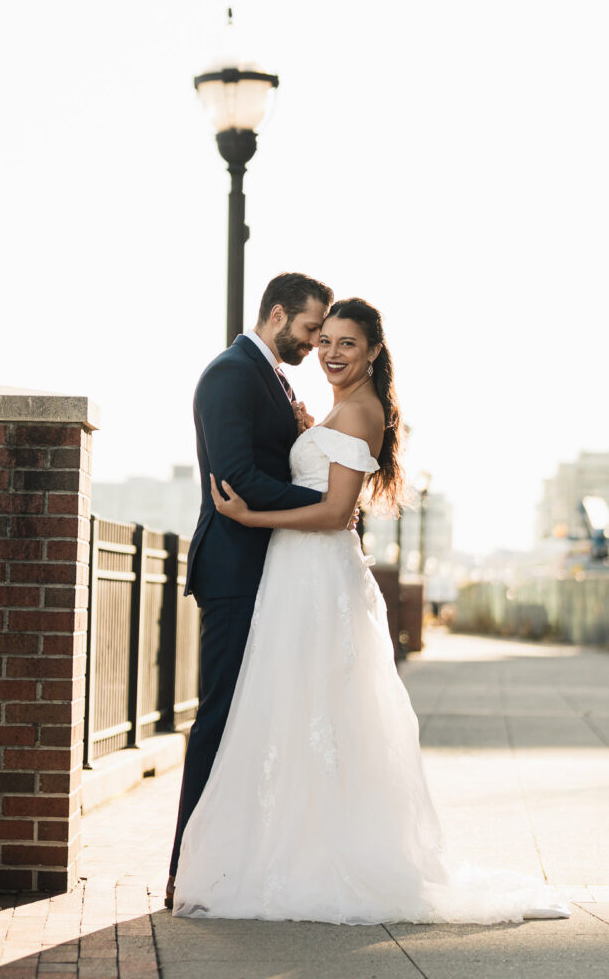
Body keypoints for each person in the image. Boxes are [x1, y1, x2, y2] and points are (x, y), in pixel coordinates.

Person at [172, 298, 570, 925]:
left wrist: (252, 515)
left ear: (373, 352)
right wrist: (307, 428)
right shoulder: (337, 408)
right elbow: (321, 478)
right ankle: (278, 850)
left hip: (316, 571)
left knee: (317, 710)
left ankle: (315, 858)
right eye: (323, 339)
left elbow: (334, 513)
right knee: (291, 709)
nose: (329, 352)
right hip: (295, 575)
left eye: (345, 344)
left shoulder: (362, 412)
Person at [165, 272, 336, 909]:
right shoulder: (230, 373)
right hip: (236, 570)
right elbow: (234, 477)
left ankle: (242, 862)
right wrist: (325, 503)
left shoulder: (276, 380)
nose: (317, 342)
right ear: (276, 315)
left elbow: (270, 460)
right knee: (221, 719)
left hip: (276, 569)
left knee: (262, 720)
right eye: (310, 329)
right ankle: (187, 869)